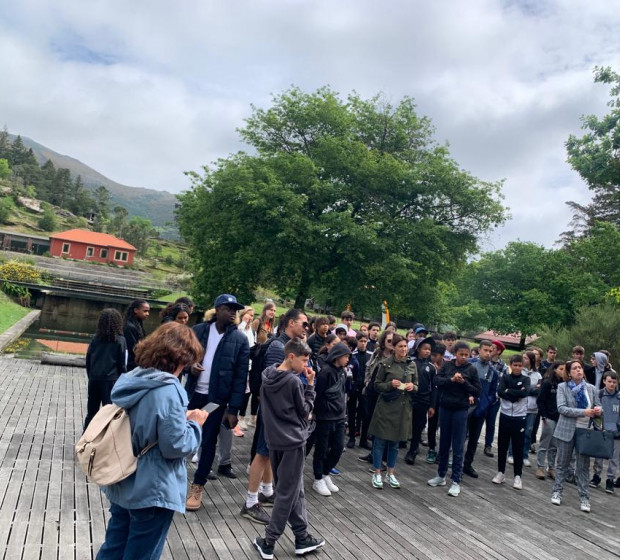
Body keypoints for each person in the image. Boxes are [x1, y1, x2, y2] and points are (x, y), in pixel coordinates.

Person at [95, 323, 207, 560]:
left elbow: (147, 419)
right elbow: (175, 445)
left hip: (123, 477)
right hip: (152, 486)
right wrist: (195, 425)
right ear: (180, 358)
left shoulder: (132, 379)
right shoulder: (168, 389)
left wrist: (180, 418)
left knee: (113, 548)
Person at [253, 338, 324, 559]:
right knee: (287, 493)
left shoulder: (268, 375)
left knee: (295, 490)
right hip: (293, 442)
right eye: (304, 360)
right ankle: (269, 541)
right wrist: (310, 386)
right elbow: (305, 411)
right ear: (291, 356)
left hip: (274, 440)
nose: (306, 366)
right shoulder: (293, 381)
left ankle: (302, 537)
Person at [242, 310, 308, 524]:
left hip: (279, 412)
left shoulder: (290, 345)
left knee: (269, 452)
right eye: (304, 323)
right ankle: (250, 502)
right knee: (262, 453)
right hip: (272, 412)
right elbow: (269, 382)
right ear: (291, 323)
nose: (306, 328)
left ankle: (267, 491)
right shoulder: (278, 347)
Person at [185, 294, 250, 511]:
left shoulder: (240, 339)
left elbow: (241, 377)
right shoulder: (199, 330)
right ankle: (170, 480)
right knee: (179, 436)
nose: (233, 312)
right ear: (217, 309)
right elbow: (182, 357)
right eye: (228, 308)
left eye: (235, 310)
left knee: (208, 442)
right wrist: (190, 367)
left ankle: (198, 485)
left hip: (217, 399)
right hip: (193, 394)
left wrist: (234, 409)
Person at [428, 342, 481, 497]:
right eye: (460, 354)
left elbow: (477, 391)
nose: (463, 357)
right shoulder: (447, 365)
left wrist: (464, 382)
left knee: (458, 445)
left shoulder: (471, 369)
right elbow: (437, 381)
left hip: (461, 409)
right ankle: (441, 475)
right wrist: (451, 380)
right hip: (445, 407)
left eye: (466, 355)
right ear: (455, 353)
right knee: (444, 442)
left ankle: (456, 480)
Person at [551, 360, 602, 512]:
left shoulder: (591, 388)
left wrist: (598, 411)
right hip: (566, 430)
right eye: (575, 368)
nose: (579, 370)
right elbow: (562, 408)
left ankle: (584, 498)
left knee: (583, 467)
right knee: (562, 464)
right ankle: (557, 492)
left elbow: (598, 407)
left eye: (580, 367)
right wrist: (583, 412)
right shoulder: (563, 387)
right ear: (569, 372)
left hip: (584, 432)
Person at [368, 334, 417, 489]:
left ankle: (391, 473)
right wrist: (390, 384)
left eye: (405, 346)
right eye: (400, 346)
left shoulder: (411, 365)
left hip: (402, 408)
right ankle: (377, 472)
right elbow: (376, 385)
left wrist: (412, 387)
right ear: (394, 347)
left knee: (395, 444)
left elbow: (417, 385)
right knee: (380, 441)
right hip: (386, 407)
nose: (403, 349)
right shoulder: (385, 364)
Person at [312, 342, 350, 497]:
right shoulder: (325, 372)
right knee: (321, 449)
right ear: (337, 356)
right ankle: (318, 478)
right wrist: (316, 412)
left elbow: (343, 392)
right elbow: (318, 394)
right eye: (345, 356)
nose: (347, 359)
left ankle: (325, 472)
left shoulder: (343, 372)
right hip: (325, 416)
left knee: (338, 447)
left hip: (339, 416)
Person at [83, 308, 127, 430]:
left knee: (91, 412)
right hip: (111, 380)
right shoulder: (120, 340)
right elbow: (122, 363)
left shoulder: (95, 339)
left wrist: (91, 375)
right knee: (109, 412)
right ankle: (105, 436)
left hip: (94, 379)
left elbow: (88, 359)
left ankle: (86, 435)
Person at [492, 354, 530, 490]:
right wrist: (515, 392)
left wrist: (509, 391)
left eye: (520, 365)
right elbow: (500, 392)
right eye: (515, 365)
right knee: (502, 445)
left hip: (519, 417)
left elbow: (525, 393)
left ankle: (518, 476)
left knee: (518, 447)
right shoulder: (505, 378)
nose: (517, 368)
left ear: (523, 366)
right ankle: (500, 472)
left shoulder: (526, 379)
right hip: (505, 415)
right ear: (511, 365)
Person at [463, 340, 498, 478]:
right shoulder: (469, 365)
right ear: (479, 350)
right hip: (465, 406)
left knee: (474, 439)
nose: (488, 353)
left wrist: (484, 405)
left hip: (481, 410)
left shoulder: (493, 372)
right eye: (485, 350)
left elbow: (493, 394)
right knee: (460, 437)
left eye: (490, 351)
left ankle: (467, 464)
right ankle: (454, 462)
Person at [359, 331, 395, 462]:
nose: (391, 343)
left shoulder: (396, 357)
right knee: (371, 421)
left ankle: (382, 456)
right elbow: (368, 367)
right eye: (389, 340)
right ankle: (374, 453)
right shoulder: (377, 353)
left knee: (383, 424)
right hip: (372, 391)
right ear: (383, 341)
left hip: (386, 393)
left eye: (393, 341)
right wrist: (367, 381)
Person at [405, 336, 436, 466]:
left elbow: (434, 387)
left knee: (418, 426)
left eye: (429, 349)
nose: (427, 351)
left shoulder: (431, 367)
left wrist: (432, 405)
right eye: (424, 348)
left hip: (423, 400)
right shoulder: (410, 362)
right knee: (406, 423)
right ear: (418, 349)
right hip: (409, 398)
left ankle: (413, 451)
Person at [590, 371, 620, 493]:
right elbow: (593, 411)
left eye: (614, 382)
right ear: (604, 381)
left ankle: (610, 480)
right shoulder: (599, 394)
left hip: (616, 433)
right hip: (601, 430)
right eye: (609, 381)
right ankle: (596, 476)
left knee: (614, 458)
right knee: (598, 456)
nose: (612, 384)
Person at [536, 361, 566, 480]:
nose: (563, 372)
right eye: (561, 369)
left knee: (554, 445)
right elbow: (540, 400)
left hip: (560, 418)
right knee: (545, 443)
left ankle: (551, 467)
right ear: (554, 369)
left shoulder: (564, 384)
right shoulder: (548, 383)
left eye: (564, 369)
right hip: (549, 416)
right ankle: (540, 467)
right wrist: (543, 415)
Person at [484, 340, 509, 457]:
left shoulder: (504, 366)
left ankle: (488, 445)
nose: (490, 350)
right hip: (482, 397)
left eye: (492, 348)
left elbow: (504, 383)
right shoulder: (485, 362)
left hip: (494, 399)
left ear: (498, 351)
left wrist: (497, 395)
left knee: (491, 423)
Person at [347, 333, 372, 449]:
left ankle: (363, 439)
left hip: (365, 389)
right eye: (361, 341)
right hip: (353, 388)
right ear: (357, 342)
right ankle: (351, 437)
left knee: (366, 414)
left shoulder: (370, 355)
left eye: (365, 341)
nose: (363, 343)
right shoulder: (352, 355)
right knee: (351, 413)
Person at [520, 351, 542, 467]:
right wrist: (531, 389)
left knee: (528, 432)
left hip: (532, 408)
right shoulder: (519, 371)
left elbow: (539, 390)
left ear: (531, 360)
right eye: (523, 357)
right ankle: (512, 454)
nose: (523, 359)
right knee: (516, 431)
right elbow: (518, 388)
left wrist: (527, 390)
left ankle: (524, 455)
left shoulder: (538, 375)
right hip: (519, 406)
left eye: (526, 358)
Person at [237, 306, 256, 434]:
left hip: (249, 364)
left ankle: (242, 416)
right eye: (248, 314)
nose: (250, 317)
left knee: (247, 391)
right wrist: (243, 322)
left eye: (252, 315)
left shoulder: (252, 331)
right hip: (239, 364)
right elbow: (238, 335)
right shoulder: (239, 327)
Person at [123, 299, 150, 371]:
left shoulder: (138, 324)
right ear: (136, 310)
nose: (147, 314)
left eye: (148, 311)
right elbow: (133, 348)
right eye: (145, 311)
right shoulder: (129, 327)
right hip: (130, 364)